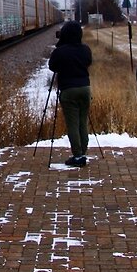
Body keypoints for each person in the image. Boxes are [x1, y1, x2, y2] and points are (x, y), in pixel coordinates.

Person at [48, 20, 92, 167]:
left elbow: (52, 66)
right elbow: (88, 62)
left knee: (72, 124)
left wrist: (60, 48)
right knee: (82, 122)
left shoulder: (60, 51)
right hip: (85, 88)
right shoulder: (85, 49)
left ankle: (78, 156)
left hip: (68, 90)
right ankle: (83, 152)